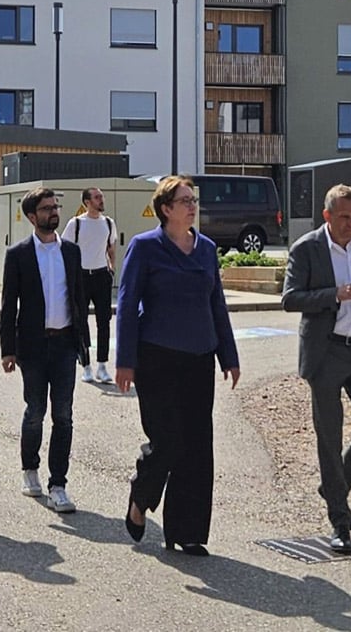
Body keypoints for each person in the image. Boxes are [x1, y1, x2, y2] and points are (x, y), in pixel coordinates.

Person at [115, 175, 240, 556]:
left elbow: (216, 305)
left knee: (198, 446)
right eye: (184, 200)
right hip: (157, 358)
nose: (192, 206)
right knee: (167, 440)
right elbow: (127, 305)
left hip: (199, 358)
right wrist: (125, 361)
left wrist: (229, 357)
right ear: (165, 209)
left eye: (193, 200)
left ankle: (187, 533)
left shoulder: (206, 249)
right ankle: (141, 496)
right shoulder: (145, 247)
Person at [282, 183, 351, 554]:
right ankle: (340, 522)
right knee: (329, 440)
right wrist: (335, 294)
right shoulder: (306, 249)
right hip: (326, 354)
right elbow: (290, 298)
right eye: (344, 217)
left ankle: (333, 486)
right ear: (327, 216)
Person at [0, 188, 89, 514]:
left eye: (55, 207)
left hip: (65, 344)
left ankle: (59, 485)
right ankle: (30, 469)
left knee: (63, 416)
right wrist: (8, 350)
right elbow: (10, 305)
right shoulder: (19, 254)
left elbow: (79, 300)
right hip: (33, 347)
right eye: (47, 208)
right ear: (31, 215)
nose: (54, 212)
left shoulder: (72, 252)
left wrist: (84, 344)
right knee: (35, 411)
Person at [61, 187, 118, 384]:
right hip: (81, 276)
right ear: (87, 202)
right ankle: (86, 365)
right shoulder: (76, 224)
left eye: (101, 197)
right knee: (81, 320)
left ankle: (102, 365)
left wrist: (112, 268)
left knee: (104, 321)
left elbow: (111, 247)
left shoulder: (109, 223)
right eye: (97, 197)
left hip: (101, 276)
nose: (101, 200)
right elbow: (65, 249)